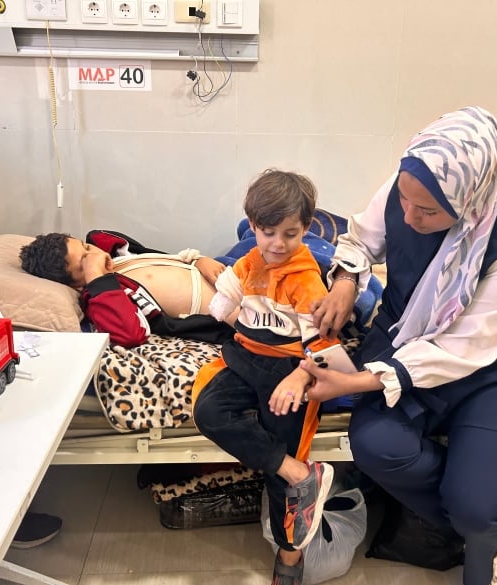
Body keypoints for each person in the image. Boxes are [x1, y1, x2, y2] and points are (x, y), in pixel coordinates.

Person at [305, 107, 497, 585]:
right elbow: (362, 240)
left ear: (470, 198)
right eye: (403, 199)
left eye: (427, 211)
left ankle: (482, 537)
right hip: (406, 335)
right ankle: (496, 513)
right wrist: (345, 281)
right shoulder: (412, 184)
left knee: (472, 505)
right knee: (377, 446)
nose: (408, 216)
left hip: (494, 363)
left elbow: (466, 345)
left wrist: (358, 379)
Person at [191, 169, 341, 585]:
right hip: (245, 358)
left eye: (290, 234)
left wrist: (299, 378)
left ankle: (289, 560)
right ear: (253, 226)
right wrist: (224, 303)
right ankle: (298, 472)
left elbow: (325, 350)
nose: (278, 244)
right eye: (268, 231)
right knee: (209, 410)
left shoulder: (306, 281)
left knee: (283, 465)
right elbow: (229, 288)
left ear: (306, 229)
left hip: (289, 369)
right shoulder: (250, 261)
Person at [19, 230, 235, 347]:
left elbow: (167, 260)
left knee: (246, 227)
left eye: (85, 248)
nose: (93, 254)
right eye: (84, 261)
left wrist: (199, 260)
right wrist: (96, 277)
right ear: (76, 284)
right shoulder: (104, 297)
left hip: (219, 267)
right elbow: (130, 334)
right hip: (236, 300)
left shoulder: (118, 256)